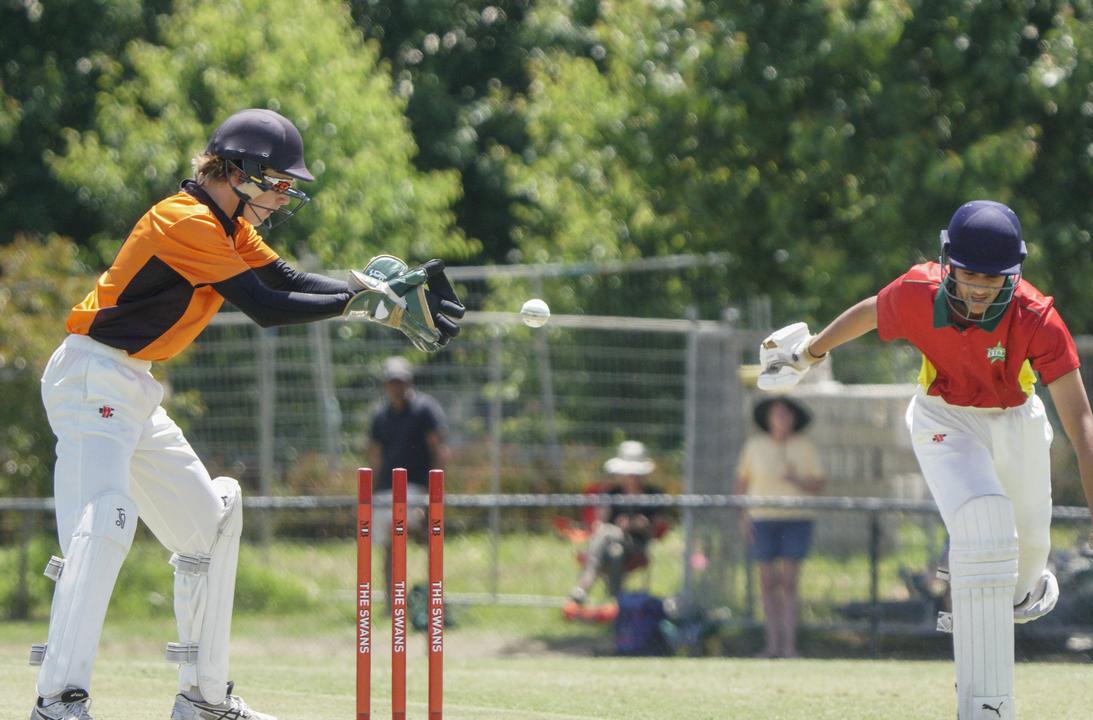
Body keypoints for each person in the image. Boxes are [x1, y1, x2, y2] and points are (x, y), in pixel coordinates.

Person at [30, 108, 464, 720]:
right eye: (279, 181)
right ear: (238, 171)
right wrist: (361, 308)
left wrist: (371, 293)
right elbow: (264, 305)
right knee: (105, 523)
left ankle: (202, 700)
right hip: (89, 377)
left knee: (209, 525)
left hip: (131, 385)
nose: (285, 194)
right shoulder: (183, 219)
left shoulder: (230, 227)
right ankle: (57, 702)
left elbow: (283, 276)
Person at [758, 200, 1093, 719]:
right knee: (984, 518)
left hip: (1015, 421)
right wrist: (810, 352)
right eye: (968, 275)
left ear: (1014, 274)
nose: (979, 290)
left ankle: (1008, 591)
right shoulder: (919, 291)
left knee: (1029, 556)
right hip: (943, 418)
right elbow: (871, 313)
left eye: (993, 279)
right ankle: (970, 589)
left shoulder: (1037, 317)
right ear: (948, 263)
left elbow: (1080, 424)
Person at [734, 396, 824, 659]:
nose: (782, 420)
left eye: (786, 415)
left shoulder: (805, 447)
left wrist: (796, 479)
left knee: (789, 583)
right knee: (767, 583)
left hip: (796, 518)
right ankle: (771, 645)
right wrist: (743, 517)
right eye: (777, 415)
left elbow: (818, 484)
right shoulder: (754, 446)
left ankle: (789, 646)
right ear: (768, 419)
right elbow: (740, 485)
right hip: (762, 518)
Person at [367, 355, 450, 614]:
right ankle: (392, 603)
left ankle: (433, 602)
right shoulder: (380, 415)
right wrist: (368, 495)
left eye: (401, 381)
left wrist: (434, 492)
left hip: (416, 489)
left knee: (427, 541)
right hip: (385, 491)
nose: (397, 386)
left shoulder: (425, 409)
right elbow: (374, 455)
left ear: (409, 382)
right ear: (386, 385)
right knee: (388, 546)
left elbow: (438, 449)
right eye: (392, 382)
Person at [566, 441, 667, 606]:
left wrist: (632, 525)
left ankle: (584, 584)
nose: (631, 477)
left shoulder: (653, 495)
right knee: (615, 551)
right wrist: (617, 525)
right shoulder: (611, 493)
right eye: (628, 473)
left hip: (636, 544)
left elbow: (653, 526)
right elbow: (599, 524)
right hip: (609, 545)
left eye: (635, 473)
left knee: (607, 533)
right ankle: (616, 601)